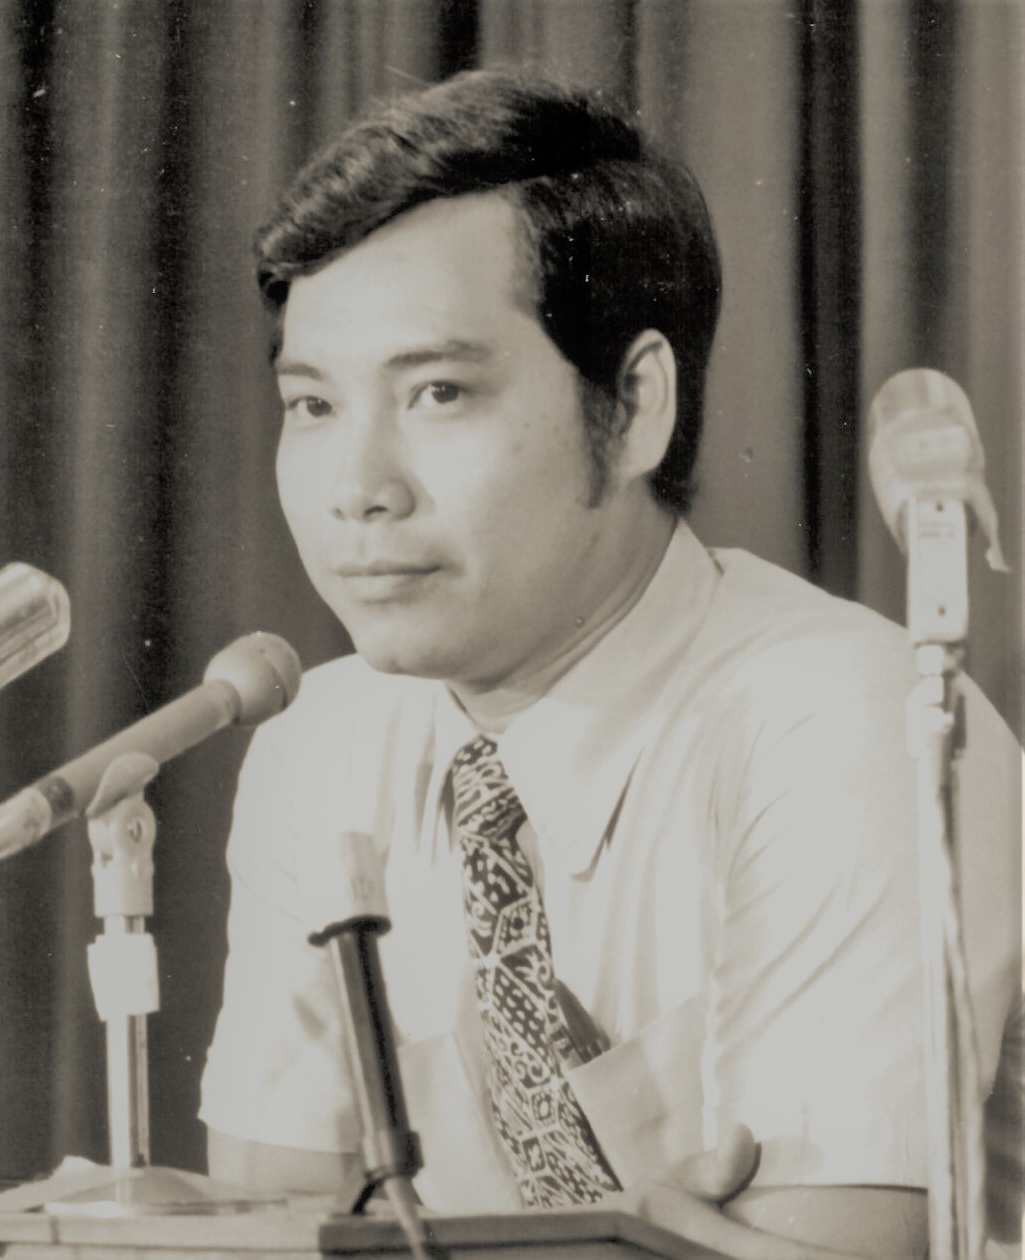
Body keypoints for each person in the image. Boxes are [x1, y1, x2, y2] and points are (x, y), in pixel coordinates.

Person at [197, 68, 1022, 1256]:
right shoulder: (317, 747)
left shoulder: (843, 724)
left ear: (635, 405)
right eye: (312, 406)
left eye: (437, 392)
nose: (357, 491)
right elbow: (266, 1241)